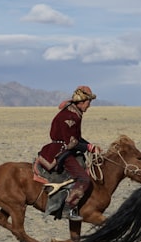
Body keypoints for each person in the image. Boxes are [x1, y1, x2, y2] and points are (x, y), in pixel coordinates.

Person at [37, 85, 100, 220]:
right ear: (82, 102)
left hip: (64, 147)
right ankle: (68, 208)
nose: (89, 106)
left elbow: (76, 138)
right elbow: (71, 141)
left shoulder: (73, 112)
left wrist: (90, 145)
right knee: (84, 179)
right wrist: (88, 148)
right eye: (89, 103)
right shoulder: (71, 116)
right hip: (61, 151)